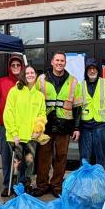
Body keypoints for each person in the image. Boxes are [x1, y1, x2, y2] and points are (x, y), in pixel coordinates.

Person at [31, 51, 84, 198]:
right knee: (43, 157)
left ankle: (56, 186)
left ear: (65, 63)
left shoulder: (73, 81)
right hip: (45, 125)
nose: (60, 63)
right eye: (57, 60)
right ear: (52, 62)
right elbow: (33, 102)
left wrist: (77, 127)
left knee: (61, 156)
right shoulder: (41, 79)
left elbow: (78, 106)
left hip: (65, 125)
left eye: (62, 61)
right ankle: (42, 185)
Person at [3, 64, 46, 192]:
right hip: (16, 136)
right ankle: (17, 188)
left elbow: (42, 114)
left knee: (29, 163)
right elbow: (8, 113)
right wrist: (14, 133)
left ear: (36, 75)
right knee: (18, 164)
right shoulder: (14, 91)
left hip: (31, 137)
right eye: (27, 73)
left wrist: (38, 130)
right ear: (23, 75)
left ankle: (26, 187)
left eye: (32, 73)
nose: (30, 75)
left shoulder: (39, 95)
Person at [0, 54, 24, 197]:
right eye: (13, 65)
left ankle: (20, 185)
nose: (15, 67)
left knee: (21, 157)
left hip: (22, 127)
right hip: (4, 126)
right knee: (6, 157)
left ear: (22, 67)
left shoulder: (26, 84)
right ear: (9, 67)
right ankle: (7, 184)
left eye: (18, 65)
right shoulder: (2, 83)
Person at [79, 57, 105, 166]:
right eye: (89, 68)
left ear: (98, 70)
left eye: (94, 68)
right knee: (85, 156)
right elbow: (76, 108)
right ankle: (84, 180)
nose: (92, 71)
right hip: (85, 126)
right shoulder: (80, 85)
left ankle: (99, 179)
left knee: (100, 155)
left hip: (101, 125)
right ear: (86, 71)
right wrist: (76, 127)